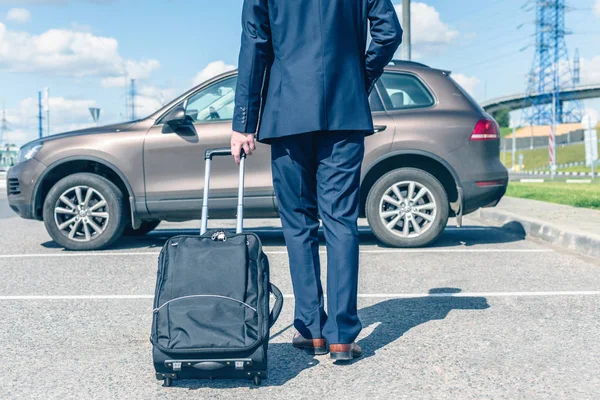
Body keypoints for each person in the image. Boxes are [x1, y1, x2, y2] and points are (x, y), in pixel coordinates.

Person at [230, 0, 402, 361]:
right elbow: (389, 33)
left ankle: (311, 329)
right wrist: (360, 76)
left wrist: (244, 122)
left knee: (298, 224)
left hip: (286, 112)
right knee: (341, 221)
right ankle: (341, 336)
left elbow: (254, 44)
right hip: (344, 110)